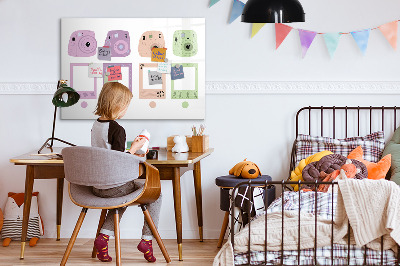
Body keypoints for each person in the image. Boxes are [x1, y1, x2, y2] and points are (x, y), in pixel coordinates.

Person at [91, 82, 161, 263]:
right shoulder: (117, 129)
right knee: (156, 194)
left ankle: (103, 238)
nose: (126, 110)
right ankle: (147, 240)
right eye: (126, 106)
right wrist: (136, 148)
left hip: (97, 186)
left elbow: (108, 154)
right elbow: (119, 161)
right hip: (114, 186)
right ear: (118, 105)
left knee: (121, 197)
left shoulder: (96, 125)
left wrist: (130, 149)